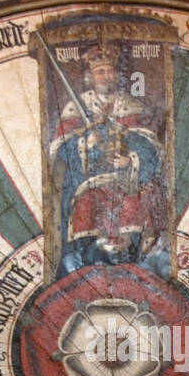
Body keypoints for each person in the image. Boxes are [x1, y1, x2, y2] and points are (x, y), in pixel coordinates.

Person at [48, 43, 169, 278]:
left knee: (138, 205)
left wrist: (130, 160)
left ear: (117, 75)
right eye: (100, 72)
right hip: (85, 182)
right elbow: (61, 149)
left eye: (109, 71)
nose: (106, 76)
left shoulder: (132, 106)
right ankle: (85, 271)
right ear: (90, 77)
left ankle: (133, 270)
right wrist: (86, 143)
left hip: (126, 181)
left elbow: (150, 148)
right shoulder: (77, 107)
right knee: (84, 207)